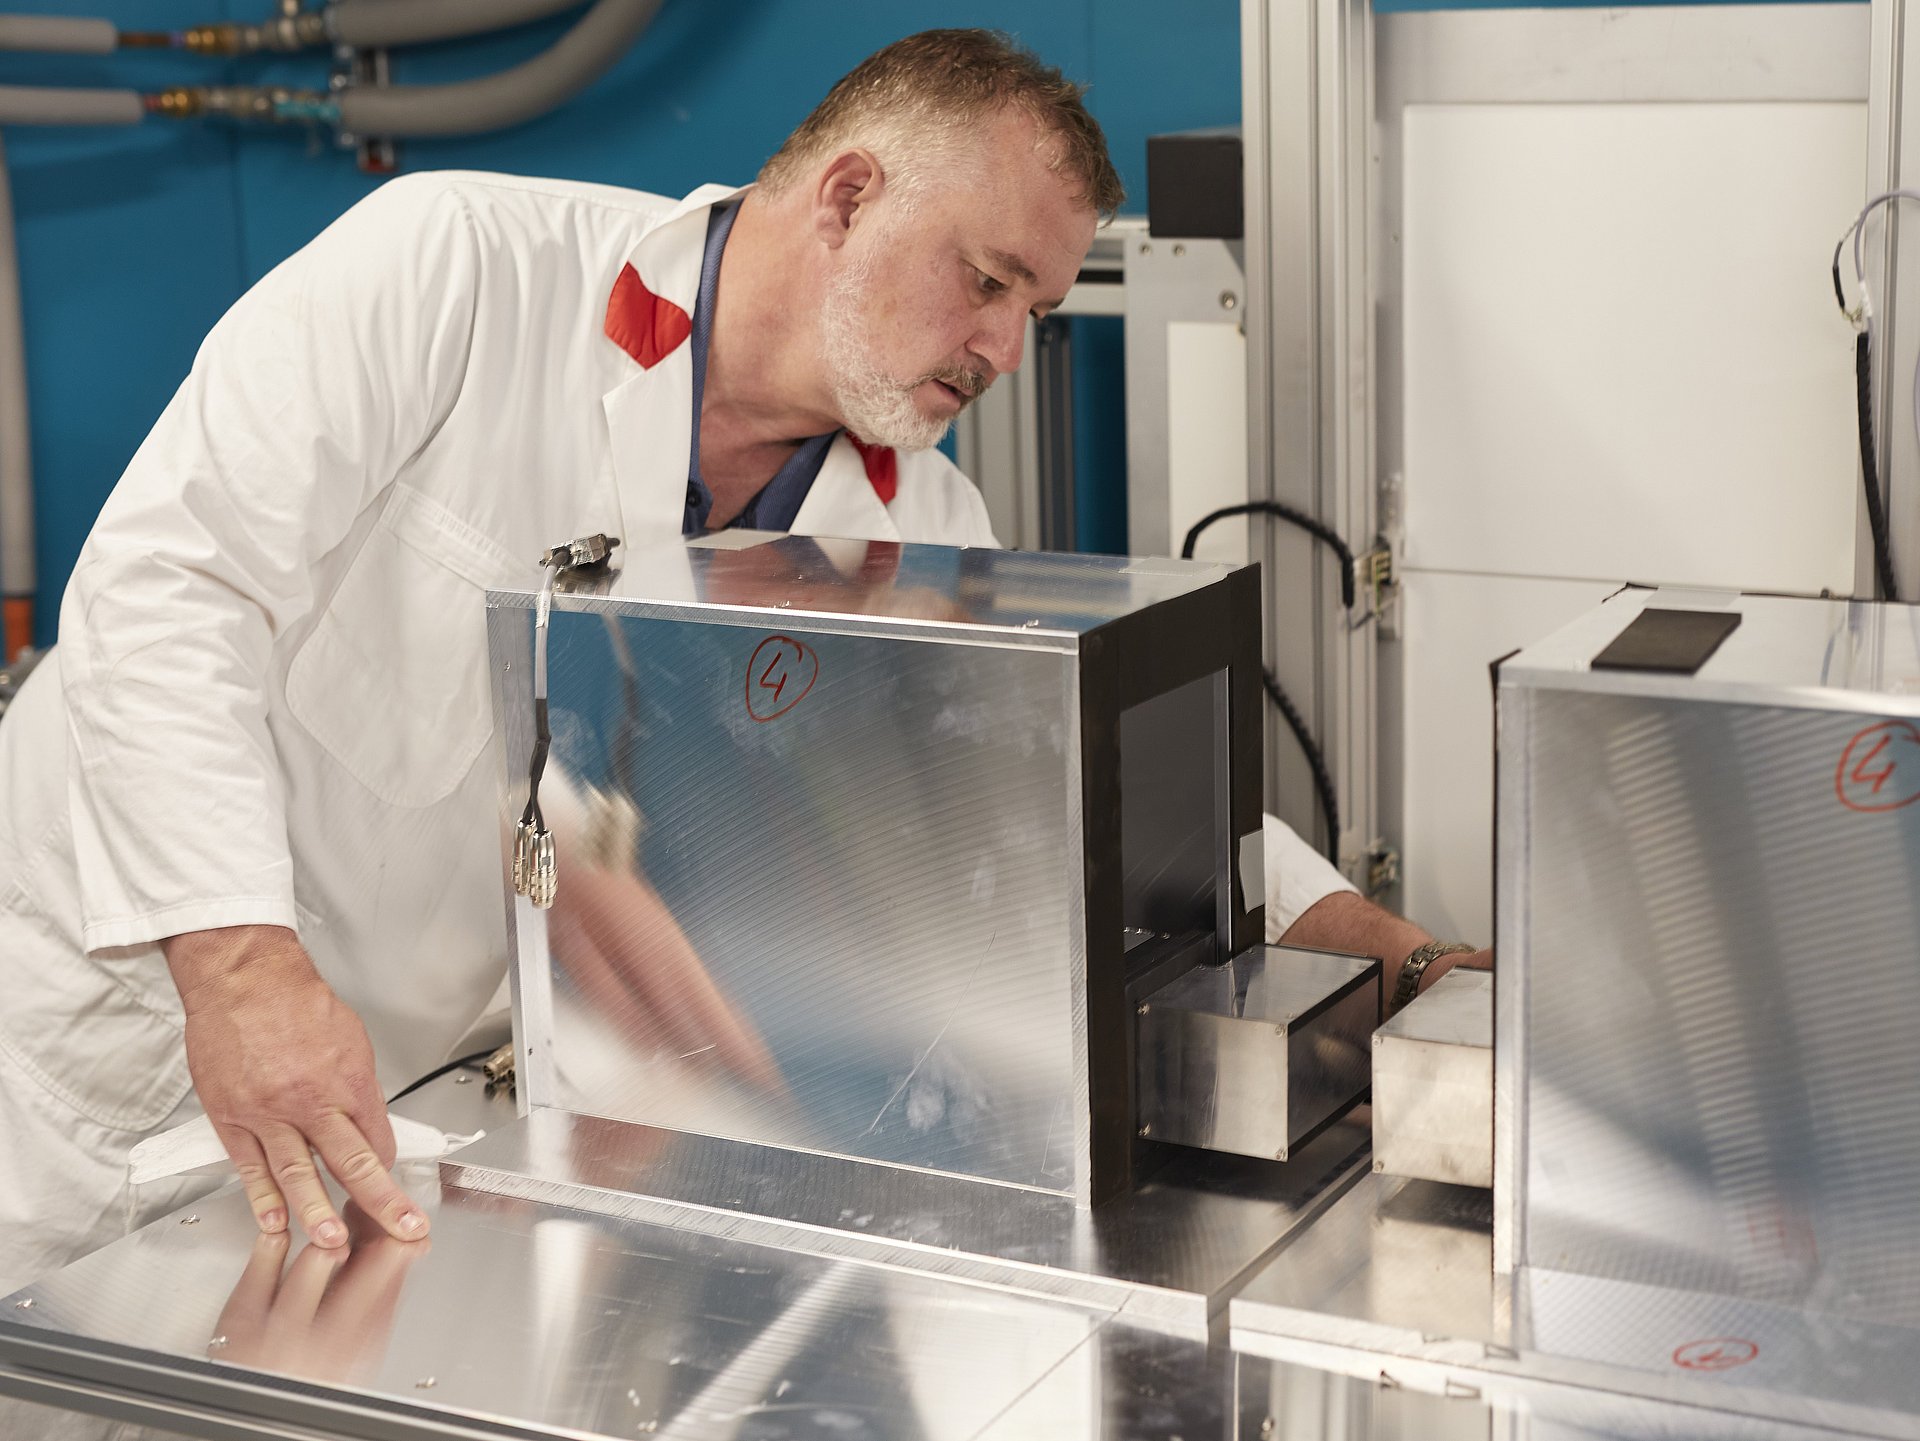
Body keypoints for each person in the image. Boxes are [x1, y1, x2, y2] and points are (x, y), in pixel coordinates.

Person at [0, 28, 1483, 1300]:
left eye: (1034, 310)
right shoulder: (457, 268)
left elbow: (1077, 797)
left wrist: (1383, 946)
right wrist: (240, 966)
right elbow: (165, 582)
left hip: (401, 1078)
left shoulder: (914, 520)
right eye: (988, 282)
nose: (1007, 349)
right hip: (109, 1015)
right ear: (847, 196)